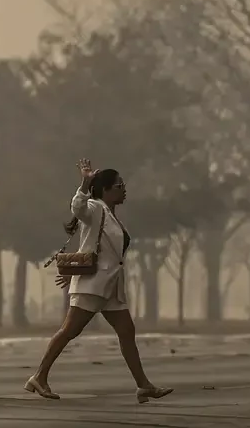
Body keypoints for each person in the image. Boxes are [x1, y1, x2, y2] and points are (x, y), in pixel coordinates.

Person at [25, 158, 173, 403]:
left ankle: (143, 386)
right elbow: (77, 207)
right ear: (105, 189)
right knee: (69, 331)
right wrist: (84, 183)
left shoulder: (111, 215)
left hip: (111, 286)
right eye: (118, 185)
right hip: (93, 284)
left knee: (127, 332)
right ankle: (39, 377)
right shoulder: (95, 208)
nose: (123, 189)